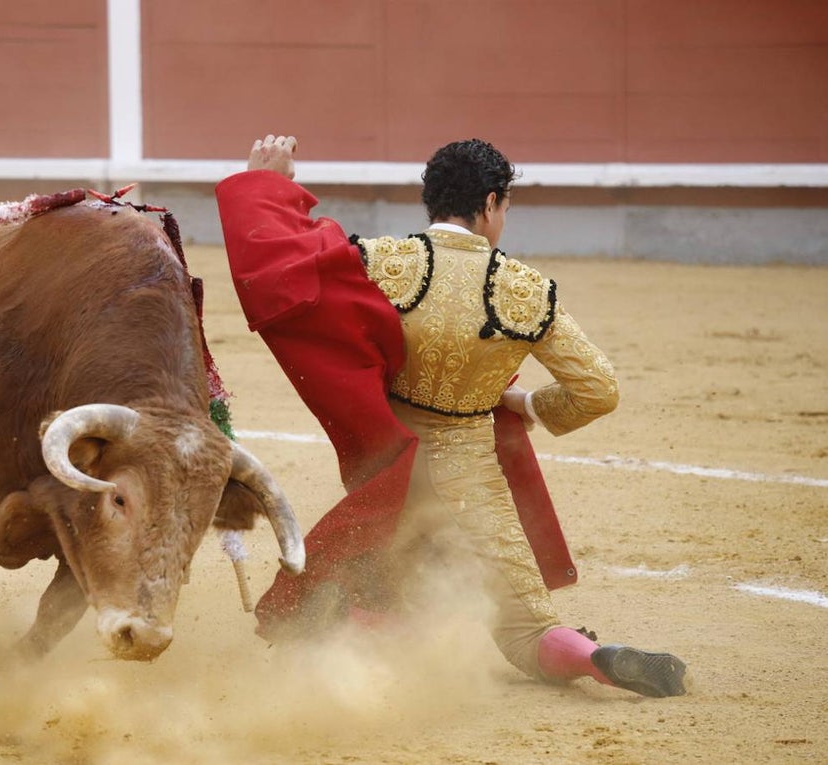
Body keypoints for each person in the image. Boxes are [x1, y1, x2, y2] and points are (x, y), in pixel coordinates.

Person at [215, 134, 688, 698]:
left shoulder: (379, 262)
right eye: (506, 207)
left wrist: (272, 186)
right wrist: (528, 403)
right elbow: (598, 390)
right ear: (490, 203)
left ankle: (356, 652)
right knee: (526, 630)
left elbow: (280, 267)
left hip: (388, 479)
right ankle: (593, 657)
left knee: (370, 592)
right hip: (473, 488)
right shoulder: (525, 291)